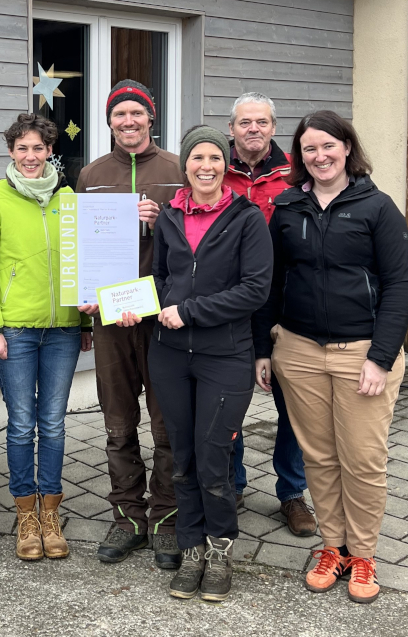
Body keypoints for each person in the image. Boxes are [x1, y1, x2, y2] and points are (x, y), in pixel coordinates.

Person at [254, 110, 408, 604]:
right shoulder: (287, 208)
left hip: (361, 354)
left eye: (328, 146)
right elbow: (272, 285)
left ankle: (363, 555)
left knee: (363, 460)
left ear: (347, 147)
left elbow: (401, 284)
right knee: (320, 459)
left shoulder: (377, 207)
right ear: (299, 156)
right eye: (309, 149)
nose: (320, 156)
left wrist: (381, 358)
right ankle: (333, 547)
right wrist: (264, 349)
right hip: (299, 353)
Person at [118, 126, 272, 601]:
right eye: (196, 158)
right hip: (169, 355)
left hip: (224, 355)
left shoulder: (246, 218)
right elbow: (161, 276)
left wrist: (188, 311)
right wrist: (138, 305)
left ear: (225, 163)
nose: (205, 165)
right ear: (184, 165)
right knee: (180, 456)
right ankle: (190, 549)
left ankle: (219, 549)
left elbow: (254, 289)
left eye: (214, 157)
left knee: (212, 458)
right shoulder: (170, 216)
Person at [0, 113, 93, 561]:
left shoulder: (68, 199)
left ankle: (51, 512)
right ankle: (25, 514)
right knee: (22, 425)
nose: (30, 156)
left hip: (62, 328)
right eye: (22, 148)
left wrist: (82, 325)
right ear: (11, 151)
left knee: (55, 424)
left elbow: (81, 264)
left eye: (38, 148)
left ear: (50, 151)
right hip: (15, 331)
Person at [75, 79, 182, 569]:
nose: (129, 122)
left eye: (137, 113)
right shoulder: (92, 174)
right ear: (110, 121)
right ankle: (127, 518)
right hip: (111, 321)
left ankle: (165, 519)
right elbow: (81, 249)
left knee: (167, 427)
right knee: (118, 424)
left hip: (164, 319)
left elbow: (199, 240)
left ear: (150, 117)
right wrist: (84, 300)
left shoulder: (179, 170)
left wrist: (163, 220)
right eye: (120, 115)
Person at [224, 93, 315, 537]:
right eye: (245, 122)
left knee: (292, 409)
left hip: (285, 308)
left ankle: (292, 493)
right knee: (228, 405)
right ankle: (233, 484)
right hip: (230, 309)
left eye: (261, 122)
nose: (253, 129)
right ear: (232, 129)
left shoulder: (297, 178)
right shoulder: (215, 172)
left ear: (274, 128)